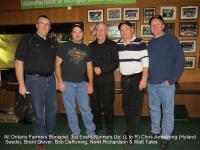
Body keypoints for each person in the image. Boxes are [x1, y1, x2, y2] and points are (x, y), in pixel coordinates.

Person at [15, 15, 58, 150]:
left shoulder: (52, 42)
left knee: (53, 108)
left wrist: (56, 80)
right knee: (38, 112)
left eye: (48, 24)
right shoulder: (28, 39)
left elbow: (55, 64)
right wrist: (21, 84)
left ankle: (50, 133)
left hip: (50, 80)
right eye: (42, 23)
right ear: (36, 25)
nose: (45, 26)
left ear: (50, 27)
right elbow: (18, 62)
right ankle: (40, 138)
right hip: (34, 81)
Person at [147, 15, 184, 149]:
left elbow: (180, 61)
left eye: (157, 24)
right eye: (152, 25)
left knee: (167, 111)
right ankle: (155, 130)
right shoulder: (150, 43)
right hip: (151, 84)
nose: (155, 27)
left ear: (163, 26)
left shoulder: (172, 39)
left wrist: (172, 79)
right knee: (154, 109)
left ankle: (165, 136)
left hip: (166, 84)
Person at [55, 24, 96, 136]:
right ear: (71, 34)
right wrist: (59, 81)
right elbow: (57, 65)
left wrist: (90, 84)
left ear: (82, 34)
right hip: (67, 83)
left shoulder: (87, 48)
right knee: (70, 110)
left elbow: (89, 67)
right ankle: (75, 132)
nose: (77, 34)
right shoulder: (63, 47)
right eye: (75, 32)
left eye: (80, 32)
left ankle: (91, 132)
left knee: (86, 109)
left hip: (82, 83)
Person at [116, 21, 149, 143]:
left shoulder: (140, 43)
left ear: (132, 29)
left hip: (137, 79)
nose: (123, 32)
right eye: (121, 30)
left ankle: (132, 134)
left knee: (135, 107)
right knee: (126, 106)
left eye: (126, 29)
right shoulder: (118, 43)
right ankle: (131, 128)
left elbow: (146, 63)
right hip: (124, 80)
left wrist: (144, 79)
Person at [89, 23, 119, 135]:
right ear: (95, 32)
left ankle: (110, 129)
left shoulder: (113, 45)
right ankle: (97, 127)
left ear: (106, 32)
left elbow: (116, 63)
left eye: (102, 30)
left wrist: (102, 69)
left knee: (108, 106)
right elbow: (87, 64)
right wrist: (88, 81)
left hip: (107, 81)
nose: (100, 32)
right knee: (94, 106)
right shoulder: (91, 46)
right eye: (98, 30)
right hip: (94, 81)